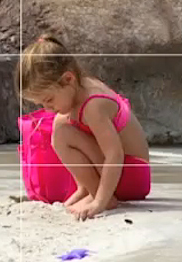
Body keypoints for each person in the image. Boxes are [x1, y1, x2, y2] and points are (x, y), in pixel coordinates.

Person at [16, 34, 151, 221]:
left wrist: (101, 203)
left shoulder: (93, 105)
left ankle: (101, 195)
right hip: (126, 173)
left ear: (68, 79)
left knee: (63, 133)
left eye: (49, 100)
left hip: (131, 176)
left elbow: (115, 154)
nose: (47, 108)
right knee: (60, 123)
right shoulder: (80, 88)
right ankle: (86, 189)